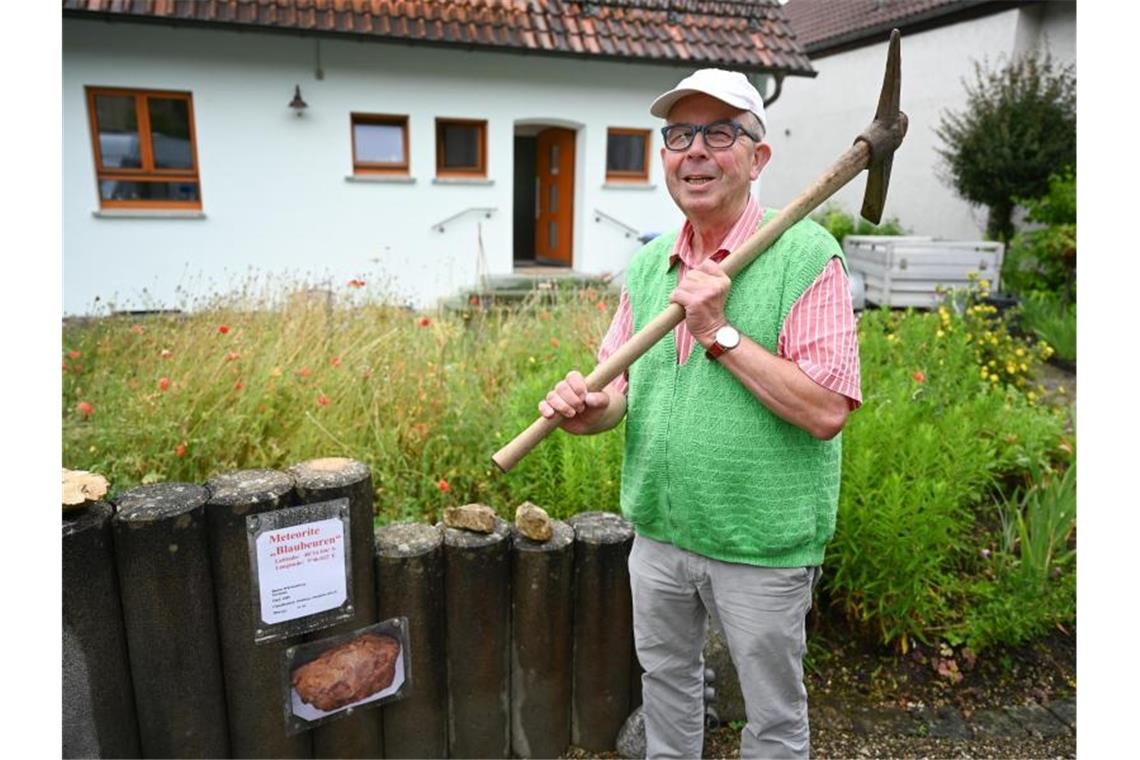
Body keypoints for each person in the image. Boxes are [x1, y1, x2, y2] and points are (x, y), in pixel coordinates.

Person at [538, 68, 862, 759]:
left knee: (772, 713)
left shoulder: (806, 255)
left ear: (757, 157)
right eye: (679, 135)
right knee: (667, 683)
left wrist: (719, 330)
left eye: (720, 133)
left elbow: (827, 410)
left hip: (760, 542)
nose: (696, 151)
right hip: (658, 531)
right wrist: (586, 408)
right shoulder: (651, 264)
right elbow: (617, 394)